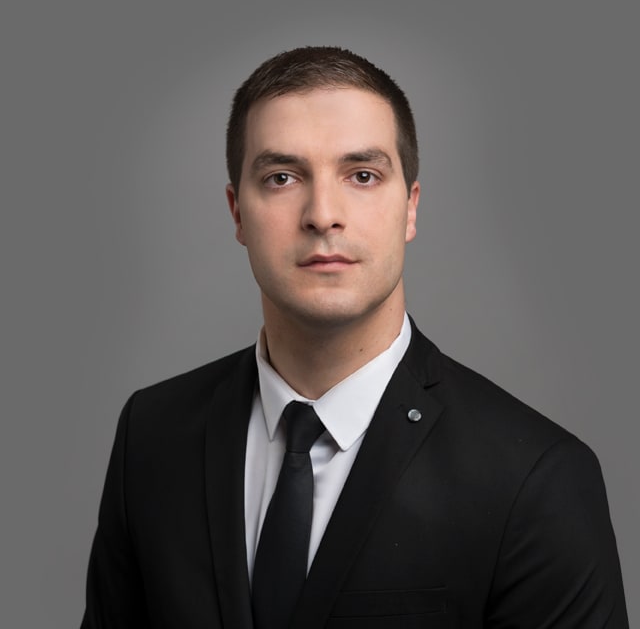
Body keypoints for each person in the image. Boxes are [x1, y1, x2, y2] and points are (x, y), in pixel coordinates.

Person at [80, 46, 628, 628]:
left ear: (410, 208)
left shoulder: (537, 479)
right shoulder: (152, 435)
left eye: (362, 175)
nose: (323, 214)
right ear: (237, 213)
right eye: (282, 177)